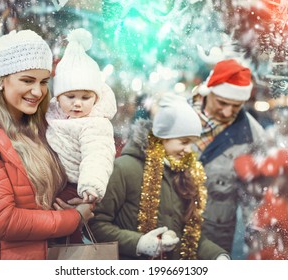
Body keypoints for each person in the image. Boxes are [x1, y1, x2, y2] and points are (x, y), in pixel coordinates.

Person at [0, 29, 93, 260]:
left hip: (50, 255)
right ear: (2, 81)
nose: (38, 91)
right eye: (27, 80)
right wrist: (73, 218)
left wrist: (79, 197)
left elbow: (61, 180)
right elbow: (3, 221)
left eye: (43, 82)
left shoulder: (42, 122)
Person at [89, 93, 229, 260]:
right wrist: (139, 243)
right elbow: (95, 225)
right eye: (184, 142)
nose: (189, 150)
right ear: (162, 138)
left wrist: (218, 256)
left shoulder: (185, 174)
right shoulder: (124, 169)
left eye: (192, 143)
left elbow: (188, 235)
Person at [190, 59, 266, 256]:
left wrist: (257, 245)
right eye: (222, 103)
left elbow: (255, 196)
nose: (227, 112)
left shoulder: (253, 135)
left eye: (236, 106)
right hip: (167, 224)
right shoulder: (178, 115)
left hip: (214, 234)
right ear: (209, 91)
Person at [46, 28, 117, 204]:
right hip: (50, 182)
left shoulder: (95, 124)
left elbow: (98, 155)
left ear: (96, 98)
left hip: (76, 188)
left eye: (86, 98)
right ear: (58, 96)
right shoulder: (51, 114)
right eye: (70, 97)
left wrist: (91, 185)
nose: (78, 103)